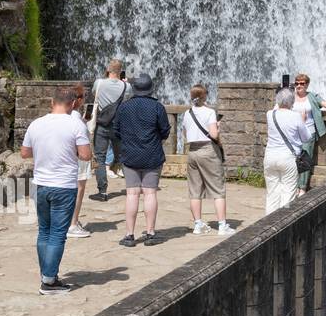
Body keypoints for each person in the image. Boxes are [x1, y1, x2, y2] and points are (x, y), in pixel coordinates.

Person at [22, 85, 93, 295]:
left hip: (40, 184)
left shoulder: (36, 124)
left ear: (52, 103)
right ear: (72, 104)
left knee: (44, 231)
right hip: (64, 186)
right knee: (57, 235)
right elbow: (86, 155)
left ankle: (46, 274)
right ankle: (49, 282)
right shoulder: (75, 125)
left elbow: (25, 153)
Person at [112, 74, 169, 247]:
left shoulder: (124, 107)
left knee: (132, 194)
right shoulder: (157, 107)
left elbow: (116, 131)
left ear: (134, 89)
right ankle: (150, 233)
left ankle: (129, 235)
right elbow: (165, 131)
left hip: (129, 155)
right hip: (152, 155)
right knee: (150, 193)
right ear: (151, 89)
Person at [182, 84, 233, 236]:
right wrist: (217, 127)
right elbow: (214, 135)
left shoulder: (187, 113)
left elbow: (185, 134)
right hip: (208, 150)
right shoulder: (210, 112)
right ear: (205, 96)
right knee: (218, 189)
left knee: (195, 190)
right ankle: (222, 225)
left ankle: (198, 225)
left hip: (193, 152)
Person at [265, 87, 311, 215]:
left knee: (272, 193)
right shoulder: (296, 116)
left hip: (270, 157)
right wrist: (303, 121)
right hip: (288, 158)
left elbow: (277, 107)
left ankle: (268, 225)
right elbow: (306, 138)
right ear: (292, 102)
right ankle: (282, 224)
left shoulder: (270, 114)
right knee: (288, 194)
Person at [89, 59, 128, 202]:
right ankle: (132, 187)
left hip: (102, 125)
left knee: (100, 158)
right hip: (118, 127)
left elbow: (95, 96)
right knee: (123, 157)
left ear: (107, 70)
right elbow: (127, 101)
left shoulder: (98, 83)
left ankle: (103, 192)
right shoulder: (127, 86)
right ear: (120, 71)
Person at [67, 83, 93, 239]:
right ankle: (73, 223)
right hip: (78, 157)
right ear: (79, 100)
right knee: (78, 189)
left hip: (63, 157)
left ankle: (65, 221)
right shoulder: (77, 122)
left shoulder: (61, 117)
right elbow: (84, 151)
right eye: (83, 96)